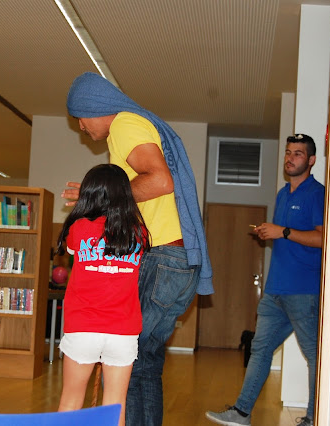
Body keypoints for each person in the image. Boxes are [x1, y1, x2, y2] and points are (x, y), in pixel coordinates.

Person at [64, 72, 214, 426]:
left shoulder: (125, 126)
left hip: (162, 256)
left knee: (128, 366)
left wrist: (100, 198)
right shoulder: (133, 126)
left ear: (93, 108)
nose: (81, 126)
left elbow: (160, 180)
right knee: (144, 362)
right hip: (174, 259)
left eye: (80, 117)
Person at [205, 133, 324, 426]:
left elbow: (323, 238)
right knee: (259, 349)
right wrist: (269, 233)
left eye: (298, 153)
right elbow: (287, 236)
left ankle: (313, 418)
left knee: (314, 356)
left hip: (304, 291)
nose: (290, 158)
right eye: (288, 152)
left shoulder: (317, 193)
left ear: (311, 160)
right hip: (274, 290)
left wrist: (283, 231)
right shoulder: (283, 194)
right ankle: (241, 413)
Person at [56, 163, 150, 426]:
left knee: (71, 401)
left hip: (82, 326)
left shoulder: (79, 228)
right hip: (123, 330)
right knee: (115, 404)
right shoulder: (139, 233)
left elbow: (72, 251)